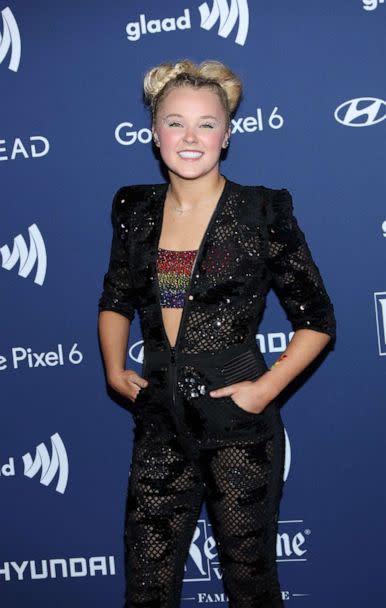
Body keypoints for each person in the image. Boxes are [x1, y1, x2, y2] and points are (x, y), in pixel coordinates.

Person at [98, 59, 336, 608]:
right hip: (159, 418)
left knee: (249, 584)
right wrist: (114, 369)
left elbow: (317, 318)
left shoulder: (260, 209)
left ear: (227, 135)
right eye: (175, 121)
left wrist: (264, 390)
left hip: (238, 421)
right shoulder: (133, 208)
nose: (190, 136)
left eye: (206, 123)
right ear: (154, 134)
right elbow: (115, 297)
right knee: (147, 584)